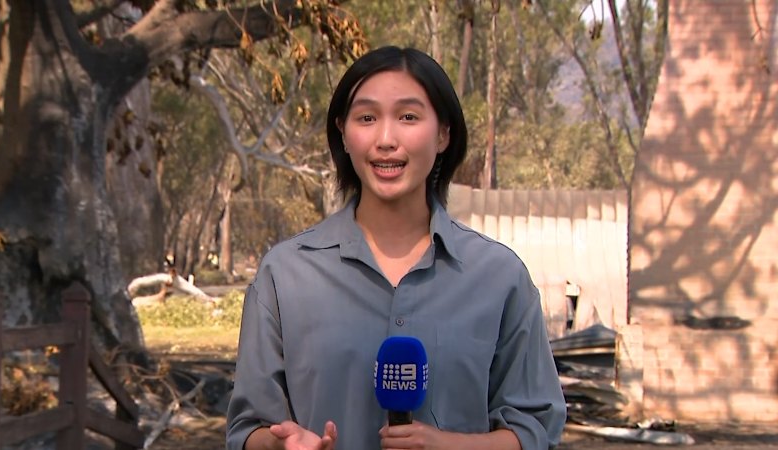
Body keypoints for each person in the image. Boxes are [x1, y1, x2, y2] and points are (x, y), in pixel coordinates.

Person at [226, 45, 566, 450]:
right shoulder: (285, 274)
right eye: (367, 118)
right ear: (343, 133)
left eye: (408, 117)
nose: (386, 140)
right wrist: (279, 444)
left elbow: (536, 430)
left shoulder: (499, 277)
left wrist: (448, 446)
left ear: (443, 134)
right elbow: (246, 430)